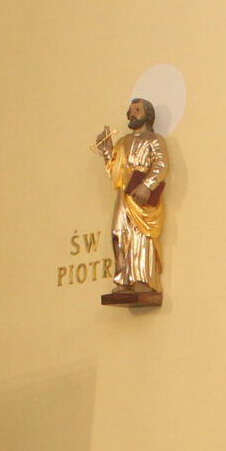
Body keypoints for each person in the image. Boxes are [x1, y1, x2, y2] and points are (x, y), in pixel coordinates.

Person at [94, 98, 168, 305]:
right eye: (130, 110)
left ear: (148, 115)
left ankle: (142, 280)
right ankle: (124, 279)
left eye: (137, 109)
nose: (132, 113)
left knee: (140, 236)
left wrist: (147, 185)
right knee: (118, 233)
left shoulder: (154, 140)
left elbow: (161, 165)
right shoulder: (123, 142)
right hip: (124, 194)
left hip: (141, 195)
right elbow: (114, 171)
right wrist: (107, 151)